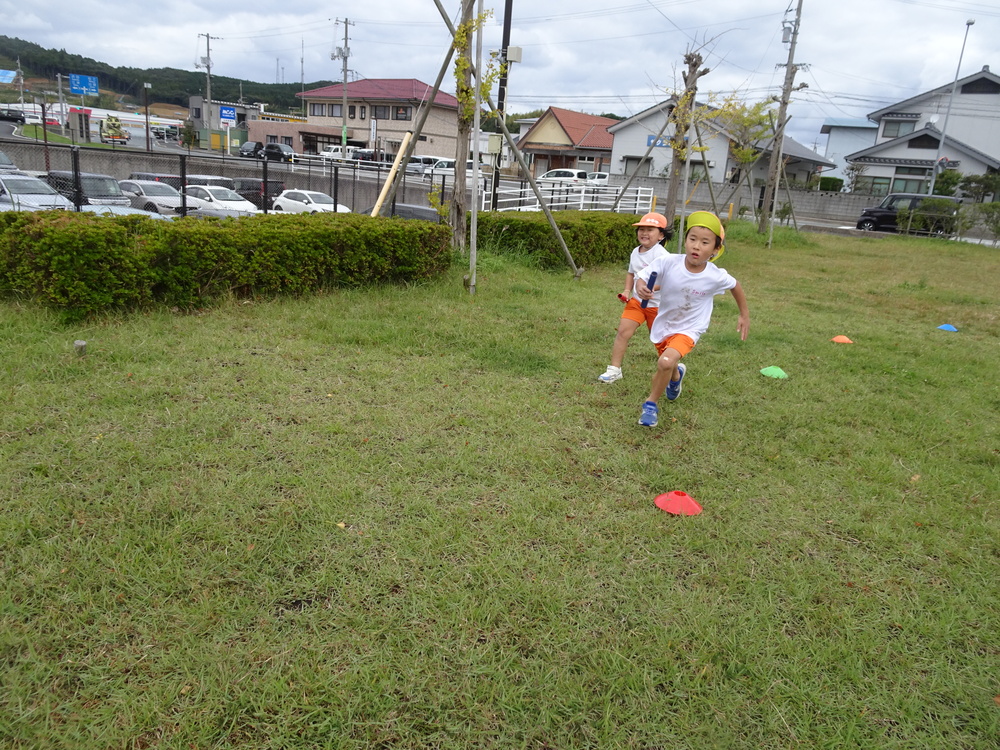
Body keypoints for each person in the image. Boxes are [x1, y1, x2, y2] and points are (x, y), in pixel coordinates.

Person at [633, 211, 749, 427]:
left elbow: (735, 286)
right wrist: (641, 287)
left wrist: (744, 314)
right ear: (685, 241)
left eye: (705, 242)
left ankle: (650, 406)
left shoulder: (715, 275)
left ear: (715, 250)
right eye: (692, 239)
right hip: (665, 325)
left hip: (690, 329)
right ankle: (676, 378)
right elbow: (643, 276)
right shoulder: (668, 262)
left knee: (665, 362)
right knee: (669, 364)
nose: (696, 246)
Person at [597, 212, 672, 384]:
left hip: (658, 306)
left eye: (650, 230)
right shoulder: (635, 252)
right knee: (623, 332)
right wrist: (626, 290)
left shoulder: (663, 256)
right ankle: (614, 369)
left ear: (661, 235)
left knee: (661, 343)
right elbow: (632, 273)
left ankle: (674, 373)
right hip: (637, 302)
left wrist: (652, 288)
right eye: (641, 229)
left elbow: (671, 281)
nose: (644, 233)